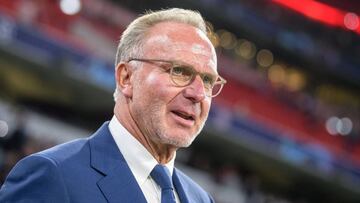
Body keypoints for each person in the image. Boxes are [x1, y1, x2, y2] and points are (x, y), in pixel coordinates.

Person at [0, 8, 226, 203]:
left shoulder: (200, 198)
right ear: (126, 78)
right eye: (179, 71)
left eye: (207, 80)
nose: (197, 93)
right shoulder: (53, 176)